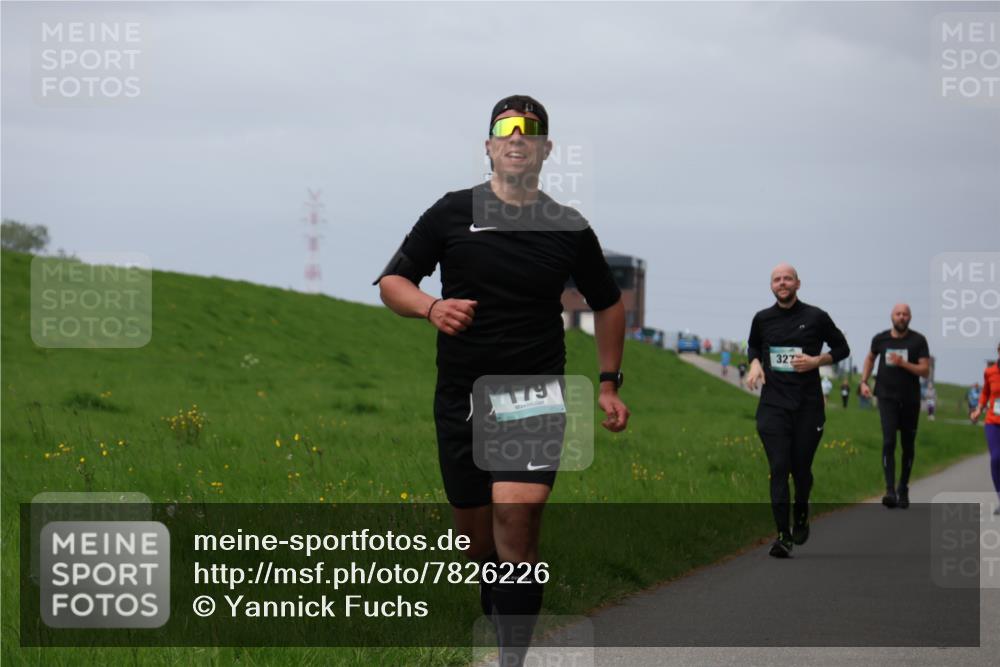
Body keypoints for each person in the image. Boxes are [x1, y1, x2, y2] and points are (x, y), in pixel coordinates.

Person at [374, 95, 630, 664]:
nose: (517, 138)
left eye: (529, 130)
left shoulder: (568, 226)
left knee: (517, 513)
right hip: (461, 395)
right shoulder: (449, 211)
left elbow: (609, 304)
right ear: (489, 146)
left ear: (545, 149)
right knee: (478, 541)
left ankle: (510, 658)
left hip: (531, 389)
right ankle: (500, 614)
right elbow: (394, 281)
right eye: (505, 130)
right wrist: (431, 308)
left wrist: (608, 382)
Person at [744, 263, 849, 558]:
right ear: (771, 286)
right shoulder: (762, 319)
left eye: (787, 278)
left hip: (808, 407)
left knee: (800, 471)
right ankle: (783, 536)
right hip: (773, 406)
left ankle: (801, 509)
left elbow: (843, 348)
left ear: (798, 284)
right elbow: (753, 346)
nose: (782, 283)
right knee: (779, 468)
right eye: (777, 279)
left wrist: (817, 361)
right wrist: (754, 364)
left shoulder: (816, 317)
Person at [859, 304, 931, 510]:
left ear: (910, 317)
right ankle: (889, 490)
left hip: (910, 400)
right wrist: (864, 381)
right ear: (892, 316)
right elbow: (870, 358)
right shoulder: (880, 339)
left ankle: (903, 487)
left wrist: (903, 363)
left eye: (905, 314)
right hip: (886, 397)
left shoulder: (918, 340)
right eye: (898, 314)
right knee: (889, 441)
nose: (901, 317)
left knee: (907, 445)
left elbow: (925, 370)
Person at [969, 342, 1000, 515]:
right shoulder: (990, 372)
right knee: (996, 459)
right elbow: (986, 393)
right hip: (993, 421)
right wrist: (979, 409)